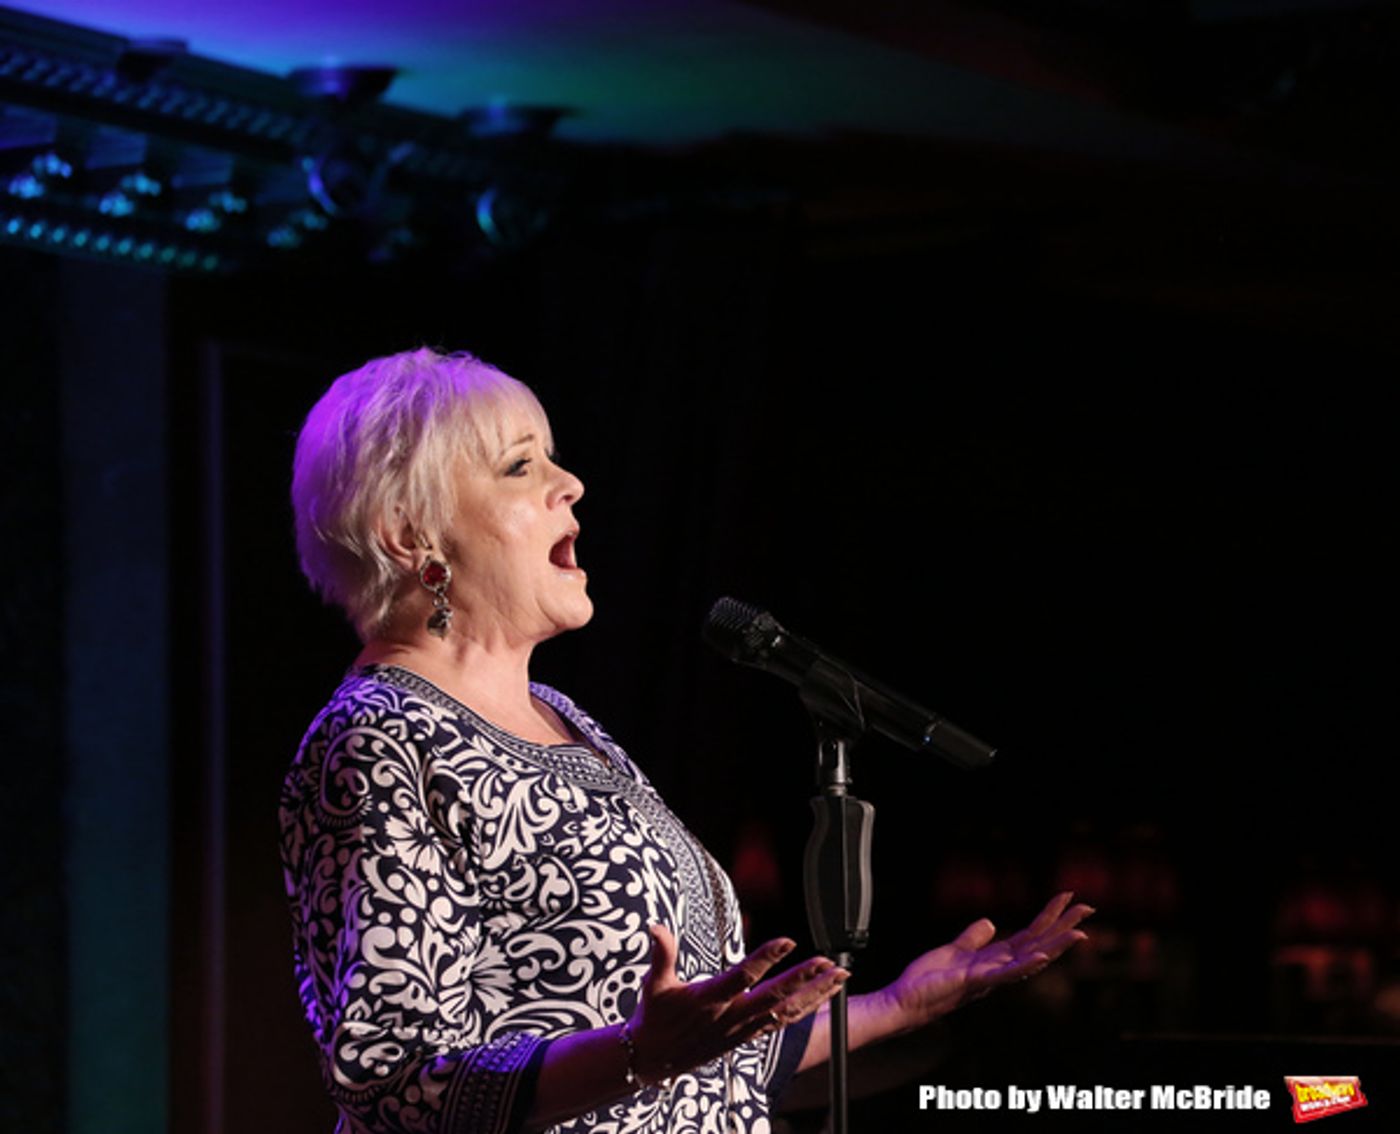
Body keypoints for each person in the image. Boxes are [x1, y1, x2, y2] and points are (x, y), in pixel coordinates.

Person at [279, 347, 1091, 1134]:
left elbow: (697, 1055)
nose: (571, 484)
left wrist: (898, 1005)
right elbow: (392, 1080)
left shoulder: (566, 719)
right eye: (520, 467)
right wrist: (639, 1054)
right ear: (406, 535)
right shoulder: (380, 739)